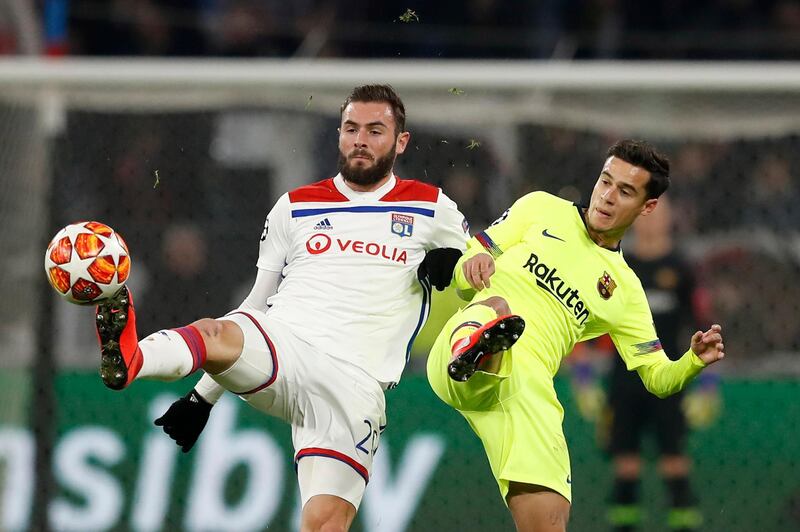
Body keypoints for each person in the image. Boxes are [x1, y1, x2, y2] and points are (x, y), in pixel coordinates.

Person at [93, 84, 469, 532]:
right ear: (338, 134)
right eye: (351, 129)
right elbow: (255, 304)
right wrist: (202, 398)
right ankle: (132, 359)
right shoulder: (294, 207)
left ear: (400, 141)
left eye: (375, 131)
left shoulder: (431, 206)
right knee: (218, 330)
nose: (360, 141)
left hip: (356, 386)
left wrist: (457, 270)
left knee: (324, 523)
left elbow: (479, 270)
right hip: (288, 347)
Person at [425, 139, 726, 532]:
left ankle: (486, 347)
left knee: (550, 521)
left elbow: (656, 376)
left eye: (625, 191)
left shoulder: (625, 291)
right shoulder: (540, 207)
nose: (607, 197)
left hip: (527, 393)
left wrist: (691, 362)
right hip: (460, 357)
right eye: (605, 181)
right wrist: (473, 263)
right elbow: (469, 263)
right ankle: (477, 350)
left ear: (647, 206)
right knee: (497, 306)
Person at [570, 195, 721, 532]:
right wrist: (582, 377)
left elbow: (705, 324)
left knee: (675, 464)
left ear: (670, 219)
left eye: (660, 214)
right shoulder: (618, 266)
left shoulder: (682, 269)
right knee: (625, 466)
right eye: (647, 214)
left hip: (669, 380)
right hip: (624, 382)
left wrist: (709, 385)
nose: (653, 221)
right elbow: (585, 323)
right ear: (637, 217)